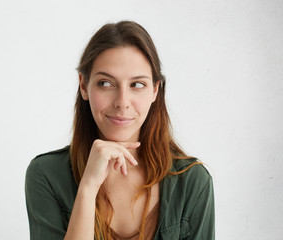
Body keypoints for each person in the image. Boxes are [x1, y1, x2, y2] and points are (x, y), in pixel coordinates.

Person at [25, 20, 215, 240]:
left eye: (137, 84)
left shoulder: (193, 181)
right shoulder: (46, 174)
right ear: (84, 86)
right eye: (106, 83)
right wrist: (87, 189)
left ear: (155, 90)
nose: (122, 102)